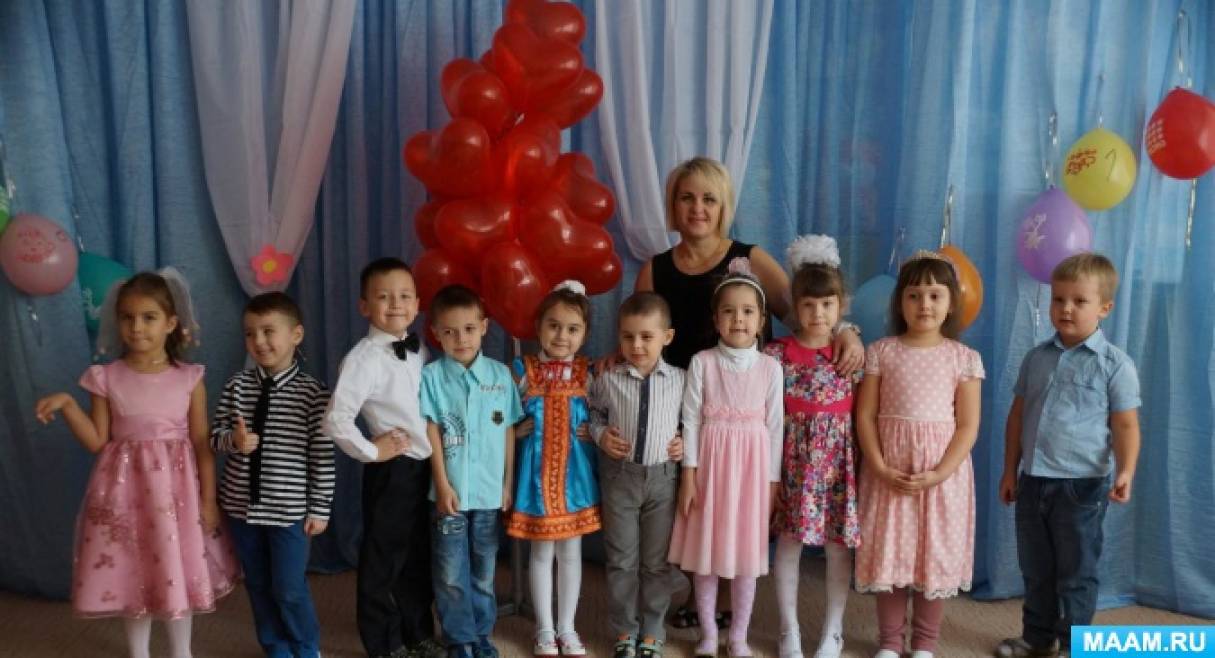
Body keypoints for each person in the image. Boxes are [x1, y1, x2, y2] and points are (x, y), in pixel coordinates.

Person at [634, 156, 864, 630]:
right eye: (687, 197)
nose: (698, 208)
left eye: (709, 198)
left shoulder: (751, 258)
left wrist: (847, 331)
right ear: (673, 205)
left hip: (743, 410)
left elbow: (806, 314)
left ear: (725, 207)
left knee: (734, 505)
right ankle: (693, 593)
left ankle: (726, 602)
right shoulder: (654, 270)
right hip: (681, 405)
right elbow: (639, 333)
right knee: (692, 505)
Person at [34, 270, 239, 658]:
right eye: (127, 318)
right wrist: (68, 405)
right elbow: (97, 440)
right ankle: (138, 653)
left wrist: (209, 500)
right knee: (133, 570)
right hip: (125, 495)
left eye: (149, 317)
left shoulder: (189, 378)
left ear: (170, 323)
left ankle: (181, 652)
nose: (137, 327)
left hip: (177, 497)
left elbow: (201, 443)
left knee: (176, 569)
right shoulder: (106, 377)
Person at [995, 253, 1141, 658]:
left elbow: (1126, 425)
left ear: (1104, 308)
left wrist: (1126, 470)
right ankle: (1038, 638)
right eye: (1058, 299)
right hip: (1033, 480)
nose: (1066, 308)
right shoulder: (1036, 358)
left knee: (1076, 573)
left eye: (1079, 301)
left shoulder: (1115, 365)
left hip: (1082, 488)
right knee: (1036, 569)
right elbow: (1017, 417)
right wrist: (1010, 470)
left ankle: (1075, 645)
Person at [853, 251, 984, 658]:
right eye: (914, 295)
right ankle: (890, 642)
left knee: (933, 560)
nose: (924, 304)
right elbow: (865, 414)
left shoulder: (963, 359)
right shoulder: (881, 352)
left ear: (951, 302)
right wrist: (877, 465)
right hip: (889, 471)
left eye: (934, 295)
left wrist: (940, 472)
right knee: (890, 558)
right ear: (900, 302)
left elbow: (967, 425)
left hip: (939, 477)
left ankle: (925, 644)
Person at [323, 257, 444, 658]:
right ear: (364, 306)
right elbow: (336, 420)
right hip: (393, 471)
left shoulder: (420, 349)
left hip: (425, 467)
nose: (396, 304)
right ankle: (384, 642)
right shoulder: (363, 359)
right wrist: (373, 451)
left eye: (405, 296)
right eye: (384, 297)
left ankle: (417, 632)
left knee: (418, 556)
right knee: (384, 558)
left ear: (418, 303)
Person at [667, 258, 784, 658]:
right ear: (716, 319)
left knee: (745, 557)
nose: (738, 319)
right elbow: (690, 420)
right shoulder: (703, 362)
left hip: (751, 471)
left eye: (748, 311)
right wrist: (689, 475)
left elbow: (775, 427)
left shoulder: (770, 368)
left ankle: (738, 637)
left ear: (761, 321)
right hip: (711, 469)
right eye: (729, 311)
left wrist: (772, 482)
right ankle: (708, 635)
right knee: (706, 555)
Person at [211, 291, 333, 657]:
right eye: (250, 333)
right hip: (241, 508)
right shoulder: (237, 386)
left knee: (289, 587)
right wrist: (234, 441)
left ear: (296, 335)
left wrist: (319, 508)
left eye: (268, 331)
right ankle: (275, 646)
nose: (259, 341)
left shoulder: (313, 393)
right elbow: (213, 438)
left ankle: (306, 647)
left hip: (288, 512)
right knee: (258, 583)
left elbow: (322, 456)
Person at [764, 236, 861, 658]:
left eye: (827, 304)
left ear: (841, 306)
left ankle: (833, 631)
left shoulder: (850, 353)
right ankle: (789, 630)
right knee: (789, 543)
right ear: (795, 305)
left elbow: (865, 411)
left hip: (839, 465)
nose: (818, 313)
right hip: (793, 463)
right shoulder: (776, 355)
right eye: (808, 304)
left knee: (838, 548)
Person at [421, 284, 524, 658]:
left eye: (468, 329)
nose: (460, 339)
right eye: (449, 331)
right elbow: (431, 430)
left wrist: (507, 483)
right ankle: (459, 639)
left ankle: (481, 635)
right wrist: (442, 484)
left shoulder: (500, 376)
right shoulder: (432, 376)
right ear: (436, 333)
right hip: (450, 494)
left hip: (488, 494)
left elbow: (508, 430)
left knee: (484, 569)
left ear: (484, 327)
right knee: (450, 572)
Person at [505, 281, 602, 656]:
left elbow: (606, 414)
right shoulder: (522, 371)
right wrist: (515, 430)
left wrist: (595, 430)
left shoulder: (588, 373)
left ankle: (568, 627)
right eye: (554, 326)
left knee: (571, 554)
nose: (562, 336)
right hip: (537, 476)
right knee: (542, 553)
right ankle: (544, 629)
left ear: (585, 334)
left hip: (574, 479)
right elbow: (500, 417)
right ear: (538, 327)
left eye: (572, 328)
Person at [589, 292, 686, 658]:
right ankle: (624, 630)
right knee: (621, 559)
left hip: (663, 479)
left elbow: (693, 420)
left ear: (667, 337)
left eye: (647, 336)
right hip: (620, 478)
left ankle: (653, 629)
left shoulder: (681, 380)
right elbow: (592, 413)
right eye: (628, 336)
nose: (637, 345)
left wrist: (685, 440)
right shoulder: (607, 379)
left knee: (656, 562)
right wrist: (601, 435)